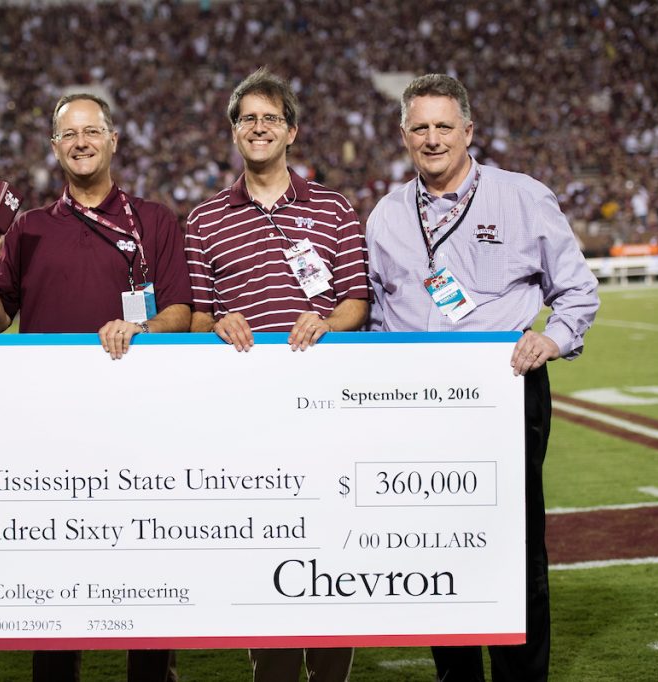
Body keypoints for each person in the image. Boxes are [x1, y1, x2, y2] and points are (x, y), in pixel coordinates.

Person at [365, 74, 600, 682]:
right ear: (403, 136)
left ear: (469, 130)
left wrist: (552, 338)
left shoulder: (522, 196)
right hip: (419, 404)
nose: (433, 138)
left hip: (505, 392)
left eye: (445, 126)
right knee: (437, 548)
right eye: (420, 127)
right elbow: (377, 314)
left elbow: (576, 290)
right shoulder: (386, 215)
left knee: (514, 549)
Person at [0, 93, 190, 681]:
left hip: (140, 426)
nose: (82, 142)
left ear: (114, 140)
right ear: (54, 148)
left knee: (143, 576)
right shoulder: (29, 228)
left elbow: (182, 313)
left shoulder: (158, 220)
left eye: (93, 131)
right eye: (69, 134)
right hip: (53, 431)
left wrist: (138, 327)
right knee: (58, 581)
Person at [185, 67, 368, 682]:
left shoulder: (336, 208)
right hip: (248, 417)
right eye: (246, 119)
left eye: (270, 118)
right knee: (264, 550)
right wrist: (216, 325)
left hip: (327, 412)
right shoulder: (203, 220)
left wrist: (327, 321)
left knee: (331, 547)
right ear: (234, 132)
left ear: (291, 130)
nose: (258, 128)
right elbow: (197, 317)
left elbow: (356, 301)